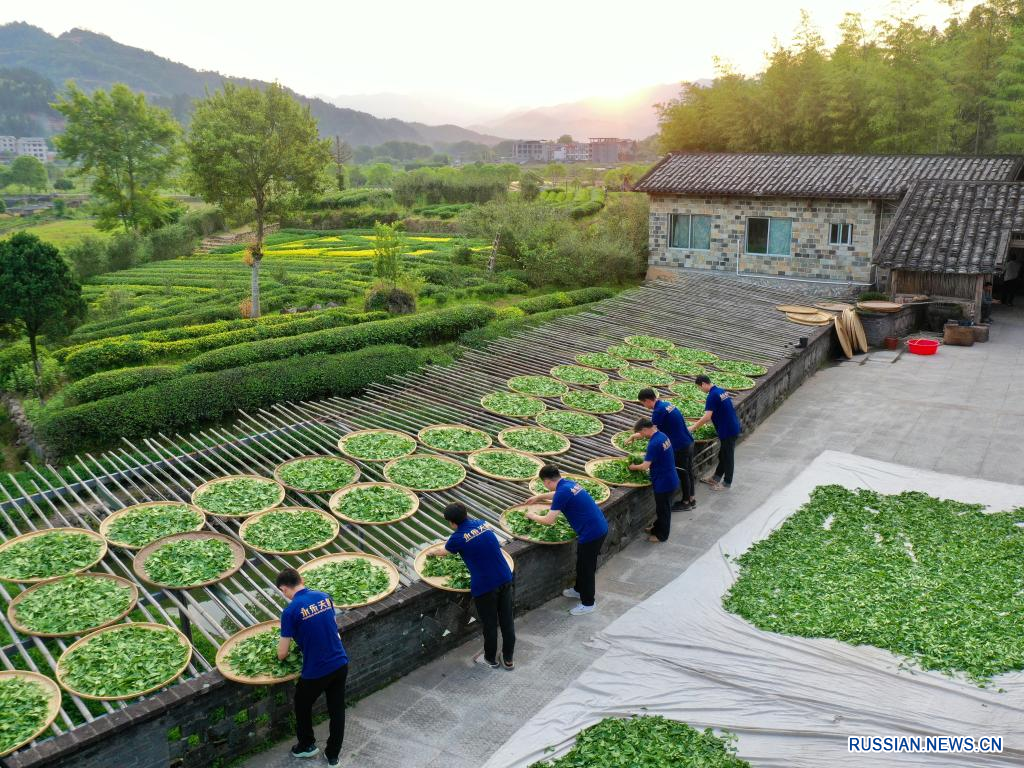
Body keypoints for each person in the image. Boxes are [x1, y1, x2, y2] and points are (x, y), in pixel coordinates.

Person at [427, 502, 515, 669]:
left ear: (452, 523)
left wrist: (432, 553)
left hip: (485, 586)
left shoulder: (457, 538)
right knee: (507, 621)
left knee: (490, 624)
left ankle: (490, 659)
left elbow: (444, 551)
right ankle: (508, 658)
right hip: (505, 576)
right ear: (466, 514)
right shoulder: (483, 523)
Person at [276, 568, 349, 766]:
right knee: (337, 709)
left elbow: (282, 653)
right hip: (340, 662)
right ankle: (333, 756)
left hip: (317, 669)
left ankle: (307, 745)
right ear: (301, 580)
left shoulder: (290, 611)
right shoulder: (325, 597)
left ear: (284, 589)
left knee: (301, 703)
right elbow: (332, 628)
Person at [525, 464, 608, 615]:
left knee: (586, 568)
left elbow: (549, 520)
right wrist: (539, 497)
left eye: (544, 484)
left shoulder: (562, 492)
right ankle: (578, 590)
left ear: (548, 482)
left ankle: (589, 603)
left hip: (592, 533)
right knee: (582, 563)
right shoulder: (568, 483)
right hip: (598, 526)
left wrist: (532, 516)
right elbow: (557, 494)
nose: (545, 486)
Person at [631, 387, 696, 511]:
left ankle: (686, 502)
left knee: (683, 473)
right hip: (688, 440)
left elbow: (651, 432)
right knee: (688, 471)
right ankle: (691, 498)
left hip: (680, 446)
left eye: (643, 403)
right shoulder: (667, 404)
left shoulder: (658, 412)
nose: (644, 406)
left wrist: (635, 435)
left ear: (648, 400)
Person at [628, 418, 680, 542]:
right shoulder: (662, 435)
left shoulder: (654, 443)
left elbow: (645, 466)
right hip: (670, 477)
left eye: (641, 433)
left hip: (664, 482)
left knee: (664, 510)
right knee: (661, 508)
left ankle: (661, 536)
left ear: (645, 429)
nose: (641, 436)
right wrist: (633, 436)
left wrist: (633, 467)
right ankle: (656, 528)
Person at [691, 374, 742, 491]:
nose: (701, 390)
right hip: (732, 426)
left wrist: (693, 427)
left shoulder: (712, 396)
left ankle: (726, 483)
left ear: (703, 384)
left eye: (700, 387)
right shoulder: (720, 390)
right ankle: (716, 477)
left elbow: (707, 417)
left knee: (728, 456)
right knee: (723, 454)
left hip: (728, 430)